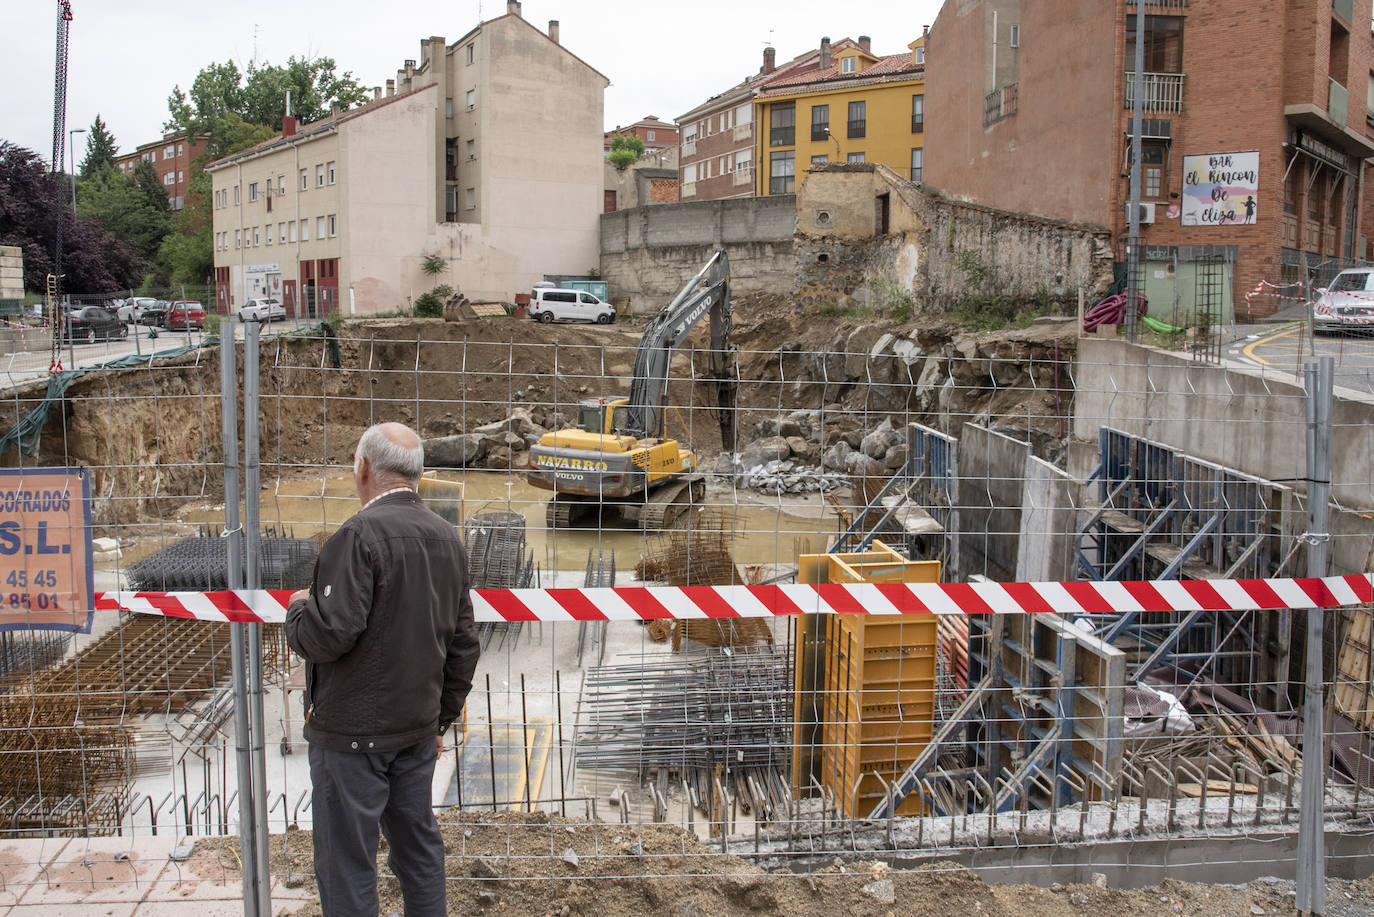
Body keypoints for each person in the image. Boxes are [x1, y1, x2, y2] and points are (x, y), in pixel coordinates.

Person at [287, 422, 480, 917]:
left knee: (348, 863)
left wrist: (298, 609)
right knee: (417, 848)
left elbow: (327, 636)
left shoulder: (356, 537)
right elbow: (463, 649)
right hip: (414, 733)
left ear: (364, 469)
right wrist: (437, 721)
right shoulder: (447, 539)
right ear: (418, 476)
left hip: (351, 738)